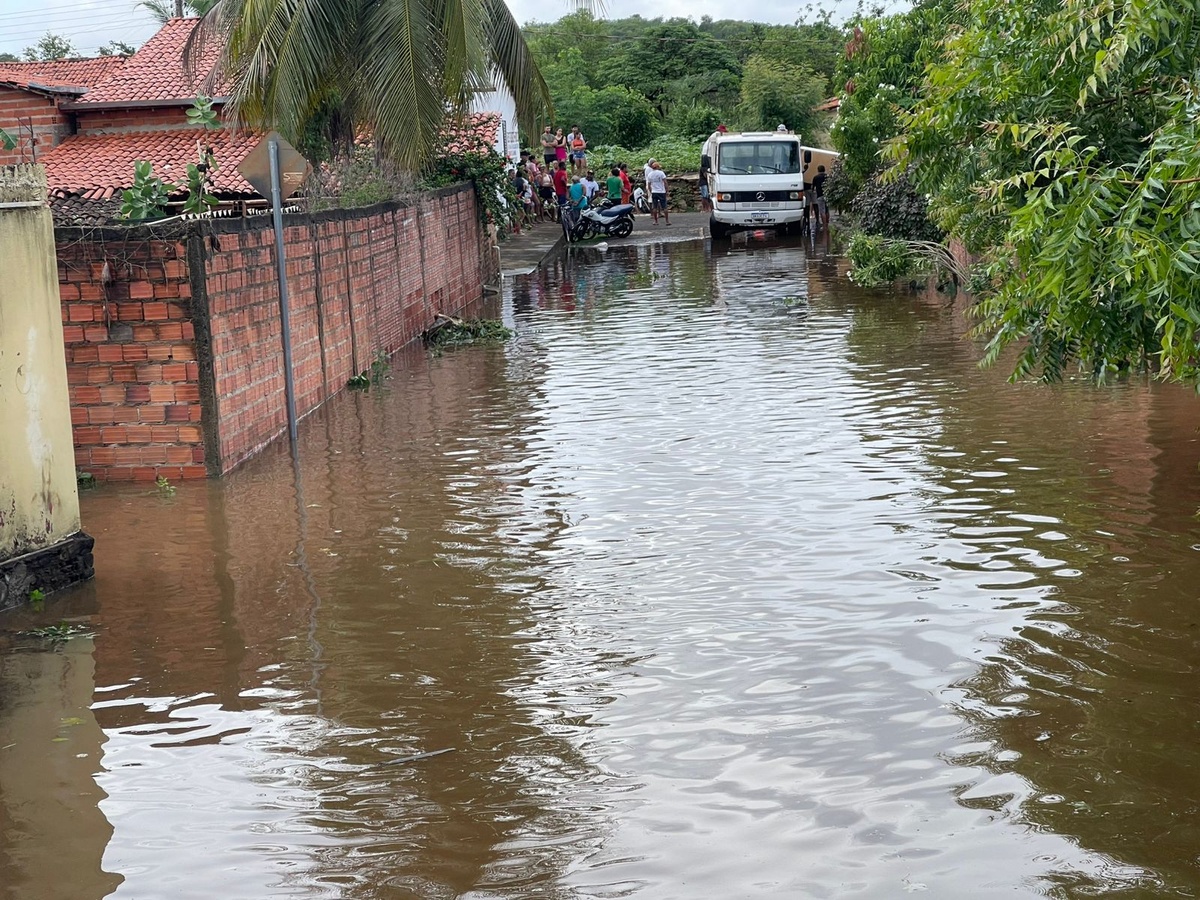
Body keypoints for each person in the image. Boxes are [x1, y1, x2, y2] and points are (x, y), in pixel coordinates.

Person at [646, 160, 669, 225]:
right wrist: (667, 190)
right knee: (664, 207)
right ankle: (667, 221)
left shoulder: (650, 174)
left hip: (654, 191)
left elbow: (649, 184)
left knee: (655, 207)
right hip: (661, 191)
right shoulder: (661, 173)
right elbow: (665, 182)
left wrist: (651, 191)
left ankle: (656, 221)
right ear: (657, 167)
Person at [811, 164, 829, 230]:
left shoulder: (816, 177)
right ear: (824, 169)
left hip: (820, 195)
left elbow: (813, 187)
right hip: (827, 195)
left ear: (818, 170)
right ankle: (827, 223)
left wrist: (813, 191)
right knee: (827, 210)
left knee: (822, 211)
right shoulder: (827, 176)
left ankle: (824, 225)